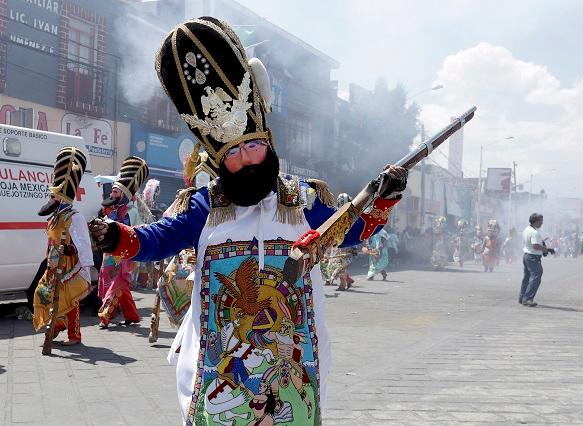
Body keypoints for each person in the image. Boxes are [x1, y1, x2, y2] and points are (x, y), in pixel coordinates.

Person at [88, 17, 406, 425]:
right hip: (222, 360)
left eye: (253, 147)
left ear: (268, 143)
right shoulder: (206, 204)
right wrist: (117, 235)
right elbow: (161, 238)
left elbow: (353, 230)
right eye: (233, 155)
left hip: (293, 357)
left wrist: (385, 196)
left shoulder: (302, 198)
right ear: (218, 161)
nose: (246, 161)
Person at [32, 147, 93, 346]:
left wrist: (71, 250)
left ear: (61, 198)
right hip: (53, 265)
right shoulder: (54, 217)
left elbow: (83, 244)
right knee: (42, 294)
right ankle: (56, 325)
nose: (49, 200)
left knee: (69, 300)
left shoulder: (75, 217)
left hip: (69, 266)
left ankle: (74, 336)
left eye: (53, 197)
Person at [97, 156, 148, 328]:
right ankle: (132, 316)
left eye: (115, 192)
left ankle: (105, 317)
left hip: (124, 255)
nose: (112, 194)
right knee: (115, 285)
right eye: (112, 191)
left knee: (116, 285)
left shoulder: (132, 213)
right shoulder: (109, 211)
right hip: (109, 254)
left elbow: (135, 233)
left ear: (124, 195)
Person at [519, 213, 553, 307]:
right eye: (540, 221)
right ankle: (528, 298)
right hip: (533, 257)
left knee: (526, 278)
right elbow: (535, 246)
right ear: (536, 221)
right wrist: (547, 249)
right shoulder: (535, 233)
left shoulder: (527, 229)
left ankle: (522, 297)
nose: (542, 223)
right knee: (536, 277)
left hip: (526, 256)